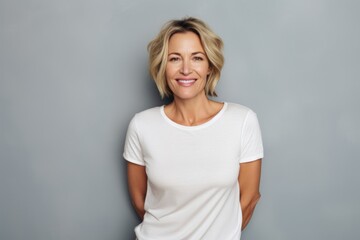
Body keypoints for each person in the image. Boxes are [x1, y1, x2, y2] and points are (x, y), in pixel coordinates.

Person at [123, 17, 263, 240]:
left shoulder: (242, 121)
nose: (186, 69)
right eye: (175, 59)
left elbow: (249, 199)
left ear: (210, 66)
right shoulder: (141, 126)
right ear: (163, 66)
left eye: (197, 58)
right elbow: (141, 202)